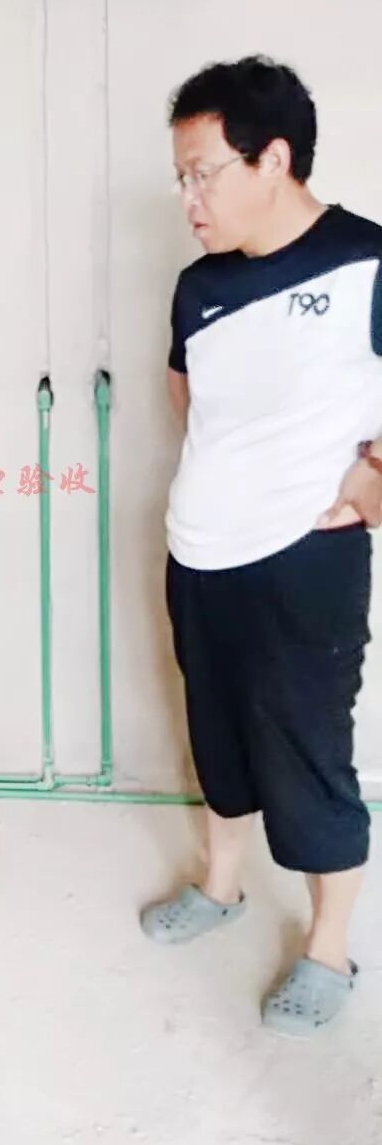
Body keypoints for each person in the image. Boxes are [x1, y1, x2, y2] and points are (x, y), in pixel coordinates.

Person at [141, 55, 382, 1035]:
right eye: (180, 177)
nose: (188, 199)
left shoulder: (368, 260)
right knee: (218, 732)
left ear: (272, 159)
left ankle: (329, 949)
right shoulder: (198, 286)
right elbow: (190, 397)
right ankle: (222, 886)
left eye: (203, 173)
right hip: (198, 554)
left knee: (308, 751)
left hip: (304, 563)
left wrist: (373, 479)